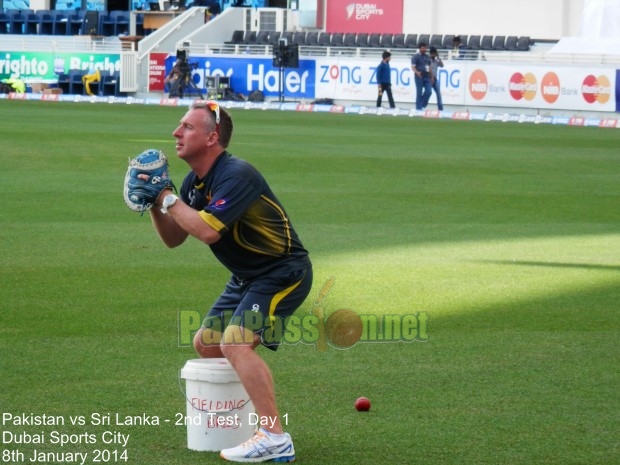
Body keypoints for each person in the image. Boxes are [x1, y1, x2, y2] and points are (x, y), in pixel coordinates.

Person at [148, 101, 312, 463]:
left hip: (282, 272)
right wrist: (154, 204)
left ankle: (274, 436)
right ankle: (248, 424)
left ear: (212, 137)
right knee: (207, 344)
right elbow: (175, 238)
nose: (177, 133)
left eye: (187, 127)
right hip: (247, 277)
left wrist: (166, 197)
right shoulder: (194, 182)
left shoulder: (237, 174)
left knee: (235, 344)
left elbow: (206, 231)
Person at [411, 42, 432, 110]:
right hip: (419, 77)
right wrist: (417, 73)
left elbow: (430, 67)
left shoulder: (427, 57)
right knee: (419, 93)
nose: (424, 49)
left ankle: (422, 104)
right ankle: (418, 108)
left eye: (425, 48)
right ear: (419, 48)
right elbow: (413, 67)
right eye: (423, 48)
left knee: (429, 91)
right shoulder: (415, 57)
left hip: (427, 76)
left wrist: (431, 76)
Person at [429, 46, 444, 111]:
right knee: (428, 93)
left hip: (435, 79)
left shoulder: (436, 60)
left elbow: (442, 65)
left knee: (439, 95)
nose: (433, 55)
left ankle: (440, 109)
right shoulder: (428, 60)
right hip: (429, 79)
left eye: (434, 53)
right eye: (432, 53)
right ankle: (422, 104)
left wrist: (438, 58)